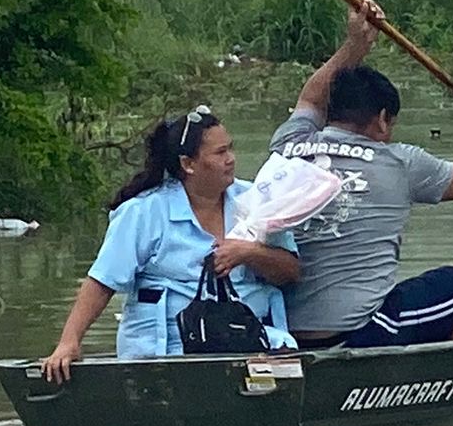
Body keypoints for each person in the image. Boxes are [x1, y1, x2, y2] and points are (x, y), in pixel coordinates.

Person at [270, 1, 453, 349]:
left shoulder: (287, 143)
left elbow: (312, 97)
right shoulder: (399, 162)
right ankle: (435, 382)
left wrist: (354, 46)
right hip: (356, 333)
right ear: (381, 119)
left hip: (282, 330)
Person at [40, 108, 302, 382]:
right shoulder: (143, 212)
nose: (231, 159)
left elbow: (291, 272)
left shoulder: (258, 201)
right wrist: (69, 343)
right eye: (220, 153)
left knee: (280, 359)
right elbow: (102, 282)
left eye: (231, 149)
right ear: (188, 164)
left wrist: (250, 253)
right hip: (167, 352)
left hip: (250, 345)